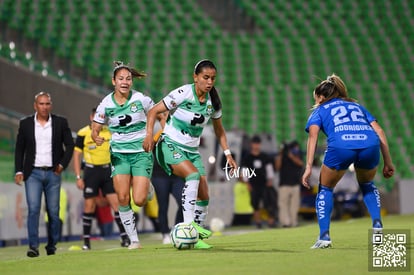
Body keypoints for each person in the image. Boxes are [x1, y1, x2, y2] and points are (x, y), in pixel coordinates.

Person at [143, 59, 237, 249]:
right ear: (195, 77)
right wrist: (148, 135)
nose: (210, 82)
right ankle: (187, 227)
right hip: (169, 144)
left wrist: (227, 154)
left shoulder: (213, 103)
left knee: (204, 195)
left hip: (191, 151)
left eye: (213, 78)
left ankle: (196, 238)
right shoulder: (183, 93)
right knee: (193, 176)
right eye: (205, 77)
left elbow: (219, 131)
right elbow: (153, 111)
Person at [302, 74, 395, 249]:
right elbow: (380, 132)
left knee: (325, 188)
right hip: (369, 144)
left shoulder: (320, 110)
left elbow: (313, 138)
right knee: (367, 184)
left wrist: (308, 167)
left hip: (341, 146)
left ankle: (324, 237)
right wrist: (388, 162)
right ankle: (377, 226)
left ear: (321, 97)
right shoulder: (357, 106)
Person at [91, 61, 165, 249]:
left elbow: (159, 112)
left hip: (141, 152)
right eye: (121, 79)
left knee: (139, 200)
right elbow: (96, 126)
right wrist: (96, 136)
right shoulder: (106, 103)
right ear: (114, 81)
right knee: (122, 198)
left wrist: (162, 127)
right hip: (119, 154)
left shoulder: (141, 99)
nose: (125, 82)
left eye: (128, 79)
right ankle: (134, 240)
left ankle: (147, 188)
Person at [14, 91, 74, 257]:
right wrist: (18, 170)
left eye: (47, 103)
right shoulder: (25, 123)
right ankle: (33, 246)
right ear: (35, 105)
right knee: (33, 210)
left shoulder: (61, 122)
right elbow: (20, 149)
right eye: (41, 103)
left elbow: (70, 145)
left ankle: (52, 246)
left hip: (53, 173)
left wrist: (62, 164)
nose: (44, 107)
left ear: (51, 105)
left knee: (53, 212)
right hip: (32, 173)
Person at [73, 107, 130, 250]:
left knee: (116, 204)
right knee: (89, 206)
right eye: (97, 117)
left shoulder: (110, 131)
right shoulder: (83, 133)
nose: (99, 120)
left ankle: (125, 238)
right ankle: (86, 243)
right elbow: (76, 155)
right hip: (91, 171)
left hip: (107, 171)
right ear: (91, 117)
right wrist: (78, 176)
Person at [241, 135, 276, 228]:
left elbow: (269, 169)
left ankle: (271, 221)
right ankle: (258, 222)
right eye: (254, 143)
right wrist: (247, 183)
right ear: (251, 144)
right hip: (253, 184)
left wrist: (270, 180)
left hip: (264, 183)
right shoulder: (247, 157)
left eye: (258, 143)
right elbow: (244, 171)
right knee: (255, 203)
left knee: (268, 203)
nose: (256, 145)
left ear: (260, 144)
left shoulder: (265, 156)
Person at [151, 152, 185, 244]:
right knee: (163, 205)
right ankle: (165, 233)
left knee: (184, 202)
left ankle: (177, 229)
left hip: (177, 174)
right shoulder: (155, 136)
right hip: (159, 174)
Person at [275, 140, 304, 228]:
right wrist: (281, 154)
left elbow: (301, 164)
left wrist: (291, 156)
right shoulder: (282, 156)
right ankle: (285, 222)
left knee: (294, 205)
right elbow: (277, 167)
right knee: (283, 204)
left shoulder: (297, 155)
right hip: (284, 184)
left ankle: (293, 222)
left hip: (295, 183)